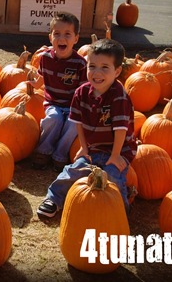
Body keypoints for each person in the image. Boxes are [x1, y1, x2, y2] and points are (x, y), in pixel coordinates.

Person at [37, 38, 137, 218]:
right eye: (92, 66)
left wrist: (115, 155)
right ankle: (54, 198)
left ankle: (120, 212)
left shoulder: (118, 97)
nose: (97, 73)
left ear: (117, 71)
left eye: (105, 67)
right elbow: (79, 123)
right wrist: (83, 147)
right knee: (73, 172)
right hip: (93, 149)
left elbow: (121, 129)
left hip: (118, 150)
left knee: (113, 177)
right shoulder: (81, 93)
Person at [32, 11, 88, 172]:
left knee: (73, 124)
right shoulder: (45, 58)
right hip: (53, 102)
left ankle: (60, 155)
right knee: (53, 119)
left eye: (67, 34)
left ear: (76, 39)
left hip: (73, 105)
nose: (61, 38)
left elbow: (83, 91)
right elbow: (41, 77)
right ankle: (43, 150)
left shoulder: (80, 63)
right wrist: (34, 84)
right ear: (50, 38)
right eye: (57, 34)